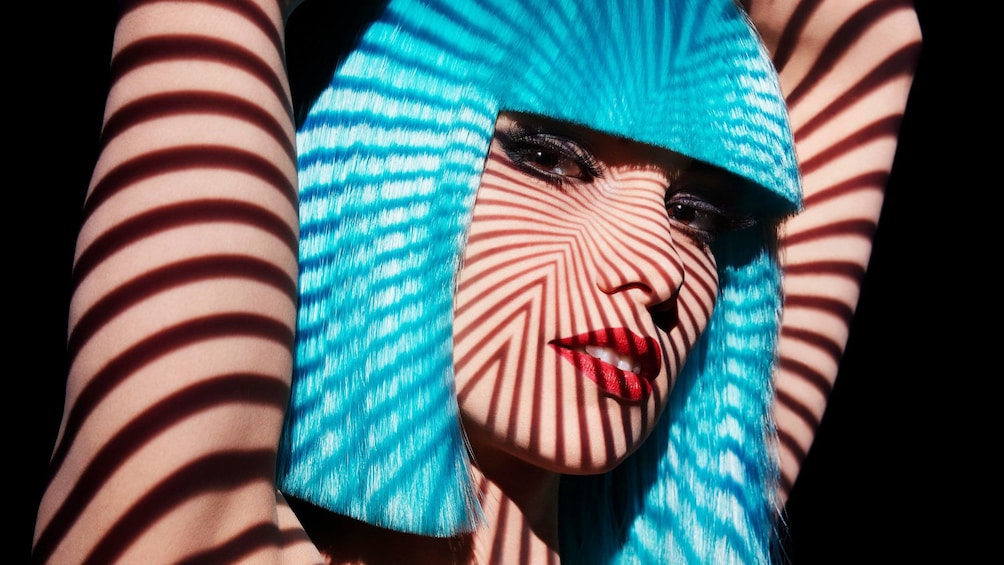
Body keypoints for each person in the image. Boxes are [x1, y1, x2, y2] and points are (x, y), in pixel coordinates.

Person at [30, 0, 921, 563]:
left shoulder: (698, 514)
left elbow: (861, 30)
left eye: (701, 214)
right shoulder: (190, 534)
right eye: (547, 157)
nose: (658, 268)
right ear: (378, 170)